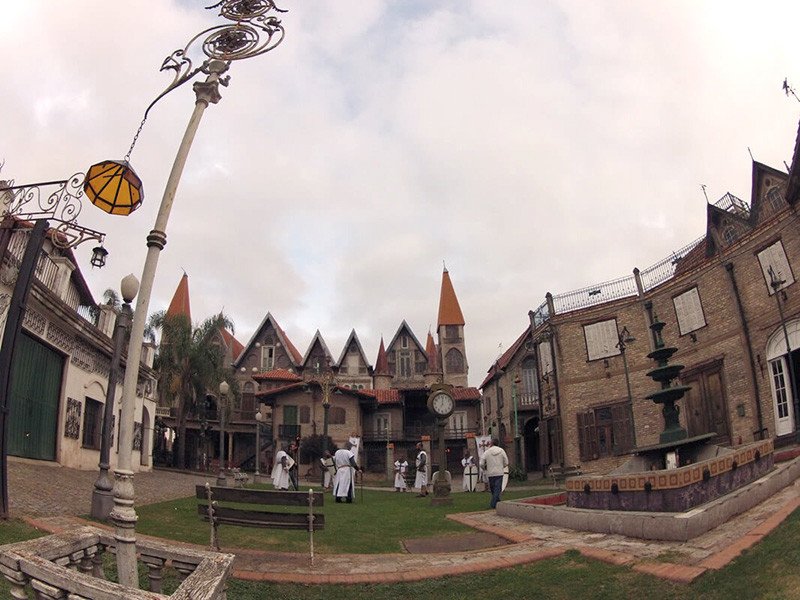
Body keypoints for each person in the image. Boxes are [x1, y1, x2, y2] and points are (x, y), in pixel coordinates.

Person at [480, 437, 509, 509]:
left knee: (493, 489)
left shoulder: (487, 452)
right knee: (497, 489)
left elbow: (481, 463)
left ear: (491, 443)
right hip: (499, 472)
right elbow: (506, 462)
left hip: (491, 473)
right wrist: (502, 466)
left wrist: (484, 468)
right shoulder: (501, 451)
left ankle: (493, 504)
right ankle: (497, 503)